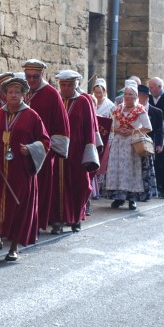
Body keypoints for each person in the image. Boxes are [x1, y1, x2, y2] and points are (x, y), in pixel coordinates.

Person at [0, 75, 50, 260]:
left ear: (24, 95)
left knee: (17, 207)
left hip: (20, 172)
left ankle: (14, 247)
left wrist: (30, 149)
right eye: (10, 92)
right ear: (5, 95)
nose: (13, 95)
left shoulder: (32, 116)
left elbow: (45, 142)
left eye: (17, 92)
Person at [22, 59, 70, 233]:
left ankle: (52, 220)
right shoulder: (23, 91)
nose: (31, 80)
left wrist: (54, 147)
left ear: (42, 75)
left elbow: (61, 122)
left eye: (35, 76)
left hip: (44, 149)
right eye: (28, 76)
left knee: (46, 187)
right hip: (24, 148)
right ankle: (27, 221)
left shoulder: (51, 94)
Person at [50, 70, 100, 233]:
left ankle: (76, 217)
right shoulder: (55, 100)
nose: (65, 88)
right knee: (57, 186)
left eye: (69, 85)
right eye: (63, 85)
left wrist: (89, 153)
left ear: (76, 85)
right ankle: (57, 220)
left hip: (77, 151)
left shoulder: (83, 102)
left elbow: (90, 128)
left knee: (78, 184)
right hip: (58, 152)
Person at [103, 82, 152, 210]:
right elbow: (110, 125)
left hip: (132, 143)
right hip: (119, 143)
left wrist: (132, 131)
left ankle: (132, 199)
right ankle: (118, 197)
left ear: (136, 96)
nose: (127, 96)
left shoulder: (140, 110)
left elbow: (148, 127)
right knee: (118, 169)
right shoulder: (117, 109)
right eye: (125, 94)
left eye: (130, 94)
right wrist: (118, 130)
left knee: (132, 170)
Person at [138, 84, 164, 200]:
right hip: (136, 143)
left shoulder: (157, 112)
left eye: (138, 96)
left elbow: (160, 130)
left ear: (145, 97)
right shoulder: (134, 110)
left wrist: (159, 144)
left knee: (148, 169)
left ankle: (147, 192)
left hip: (149, 144)